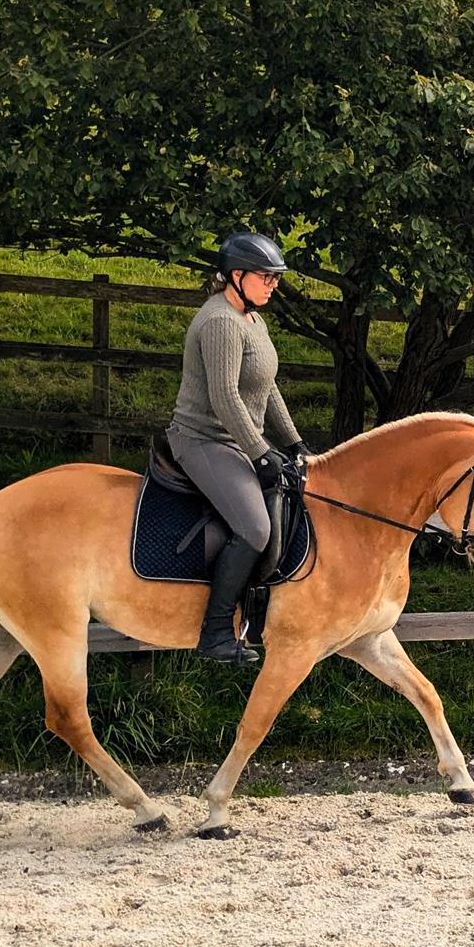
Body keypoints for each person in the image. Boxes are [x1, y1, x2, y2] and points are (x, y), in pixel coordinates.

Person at [166, 232, 310, 665]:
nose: (273, 285)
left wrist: (294, 442)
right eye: (266, 277)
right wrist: (261, 453)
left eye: (275, 278)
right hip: (202, 439)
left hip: (235, 438)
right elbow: (226, 397)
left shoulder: (252, 319)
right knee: (255, 528)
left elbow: (266, 389)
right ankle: (215, 636)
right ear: (236, 275)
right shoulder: (220, 322)